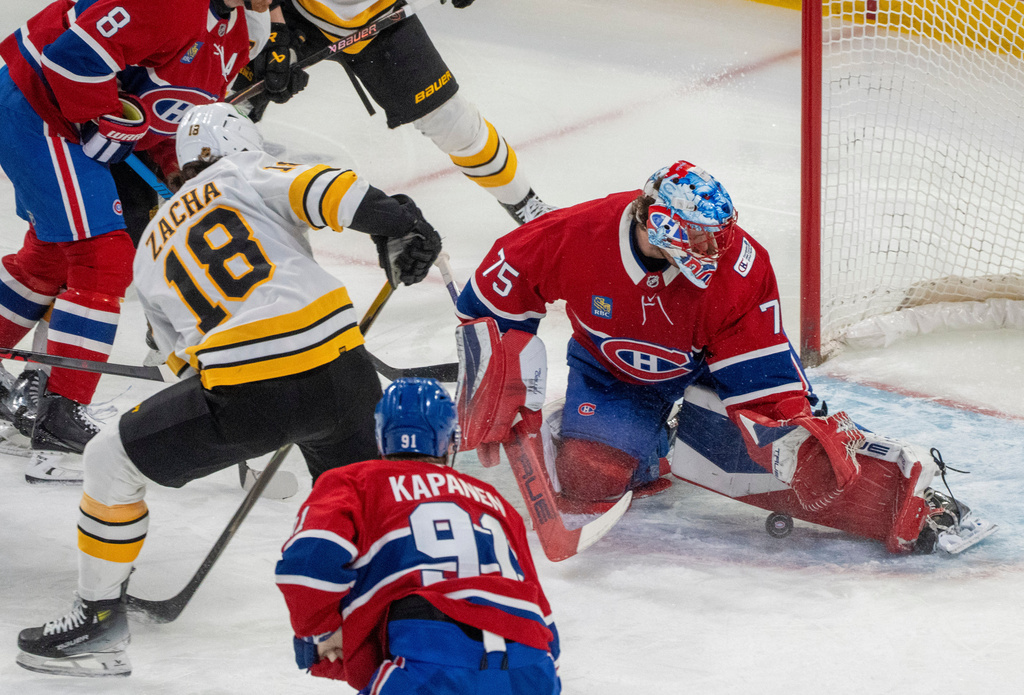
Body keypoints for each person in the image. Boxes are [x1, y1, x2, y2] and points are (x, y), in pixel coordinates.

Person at [14, 102, 443, 678]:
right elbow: (332, 190)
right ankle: (415, 631)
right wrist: (401, 224)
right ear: (241, 143)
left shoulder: (149, 253)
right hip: (343, 374)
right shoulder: (245, 172)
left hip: (247, 397)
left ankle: (98, 622)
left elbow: (179, 371)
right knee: (367, 506)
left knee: (109, 461)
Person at [453, 159, 995, 555]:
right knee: (589, 475)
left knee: (788, 450)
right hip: (612, 373)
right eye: (700, 237)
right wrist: (498, 377)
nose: (716, 250)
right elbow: (493, 298)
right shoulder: (576, 234)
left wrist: (789, 424)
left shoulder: (741, 265)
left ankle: (902, 498)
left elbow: (759, 365)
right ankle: (650, 448)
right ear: (659, 224)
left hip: (707, 367)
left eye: (719, 236)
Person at [0, 0, 272, 466]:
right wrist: (102, 117)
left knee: (51, 256)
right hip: (38, 108)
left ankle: (52, 400)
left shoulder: (240, 34)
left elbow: (177, 114)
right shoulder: (169, 6)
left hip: (68, 124)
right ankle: (59, 413)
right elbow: (70, 57)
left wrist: (179, 168)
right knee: (101, 256)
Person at [276, 377, 561, 694]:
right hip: (532, 662)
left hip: (432, 654)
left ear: (382, 437)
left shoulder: (355, 482)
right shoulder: (494, 502)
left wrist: (321, 630)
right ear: (450, 440)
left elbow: (307, 564)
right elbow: (535, 599)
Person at [235, 0, 557, 225]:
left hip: (379, 17)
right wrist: (276, 33)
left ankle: (525, 204)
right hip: (292, 12)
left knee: (454, 125)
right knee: (230, 91)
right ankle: (208, 177)